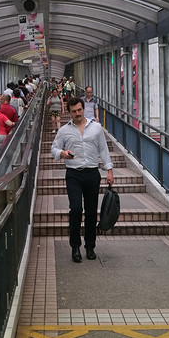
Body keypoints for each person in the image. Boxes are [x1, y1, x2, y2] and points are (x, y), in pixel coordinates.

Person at [51, 96, 114, 263]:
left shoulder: (96, 128)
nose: (77, 113)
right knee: (76, 209)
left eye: (79, 110)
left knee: (92, 212)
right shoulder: (64, 130)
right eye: (73, 111)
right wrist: (61, 154)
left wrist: (109, 171)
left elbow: (104, 149)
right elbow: (54, 148)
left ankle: (90, 247)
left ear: (83, 108)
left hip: (92, 174)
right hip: (73, 175)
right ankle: (75, 247)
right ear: (69, 112)